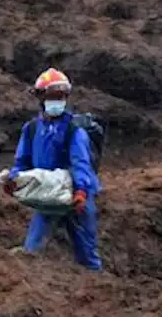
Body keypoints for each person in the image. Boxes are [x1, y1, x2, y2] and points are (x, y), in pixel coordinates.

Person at [8, 68, 102, 271]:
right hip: (48, 196)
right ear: (41, 98)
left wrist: (81, 191)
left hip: (77, 197)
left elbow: (81, 163)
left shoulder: (74, 130)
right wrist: (14, 181)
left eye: (60, 97)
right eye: (52, 97)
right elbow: (22, 162)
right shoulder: (32, 130)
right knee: (32, 251)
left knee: (88, 256)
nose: (56, 101)